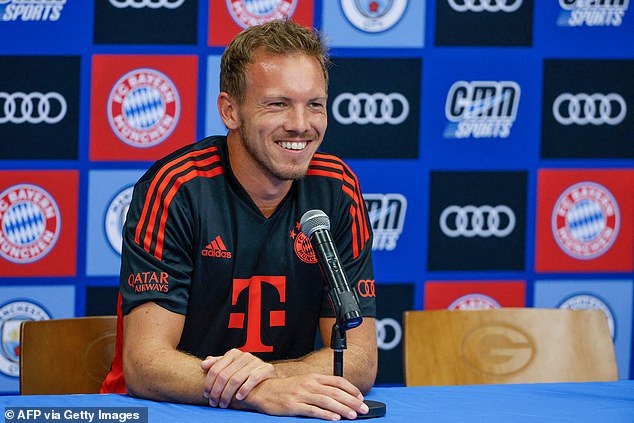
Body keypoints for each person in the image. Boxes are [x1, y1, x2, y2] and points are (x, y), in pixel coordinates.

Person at [101, 19, 377, 421]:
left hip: (284, 411)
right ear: (230, 111)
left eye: (315, 104)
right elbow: (145, 365)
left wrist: (269, 381)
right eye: (277, 104)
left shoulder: (337, 189)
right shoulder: (176, 188)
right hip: (167, 412)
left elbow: (360, 358)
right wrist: (259, 392)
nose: (301, 124)